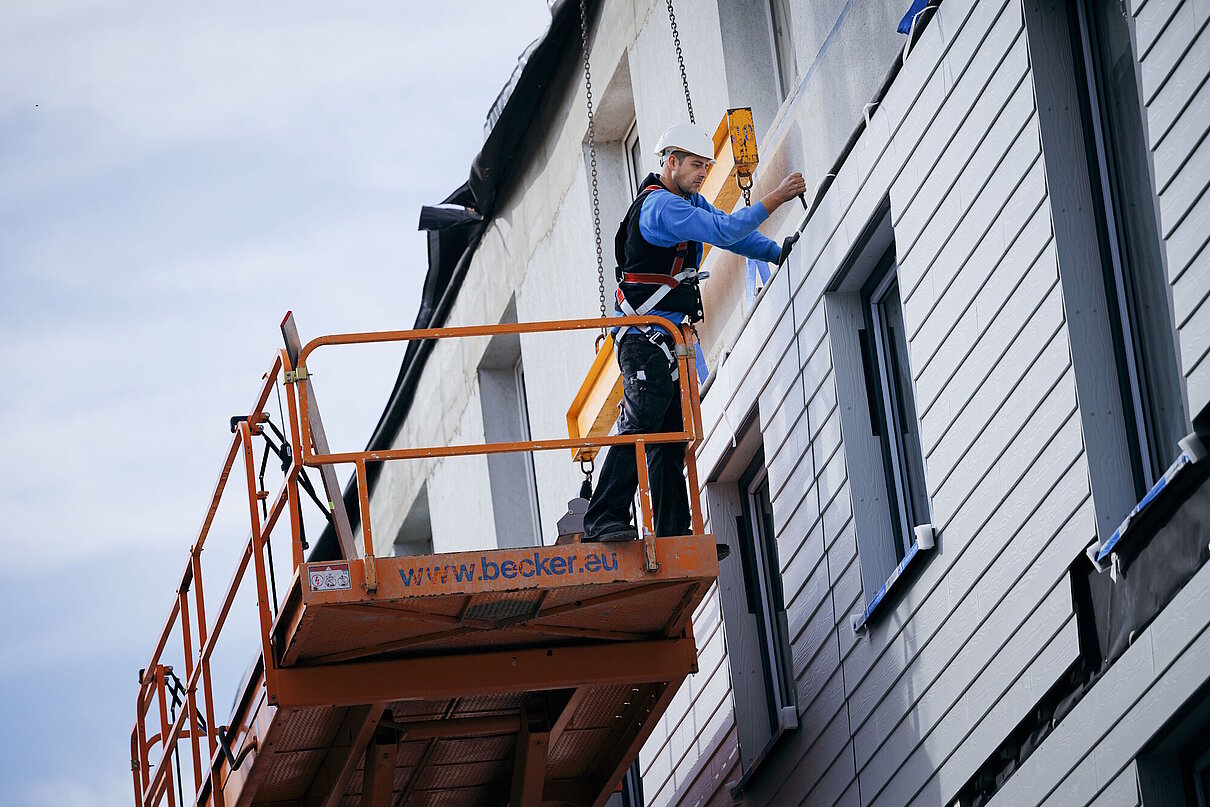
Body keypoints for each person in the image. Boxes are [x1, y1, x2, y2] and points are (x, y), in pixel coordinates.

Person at [584, 123, 807, 542]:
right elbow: (724, 232)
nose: (704, 173)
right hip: (643, 338)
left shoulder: (689, 201)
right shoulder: (662, 208)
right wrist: (776, 196)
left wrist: (777, 253)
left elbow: (733, 234)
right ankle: (603, 517)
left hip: (663, 339)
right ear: (671, 163)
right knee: (642, 420)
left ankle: (672, 533)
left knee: (669, 436)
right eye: (695, 165)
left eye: (706, 166)